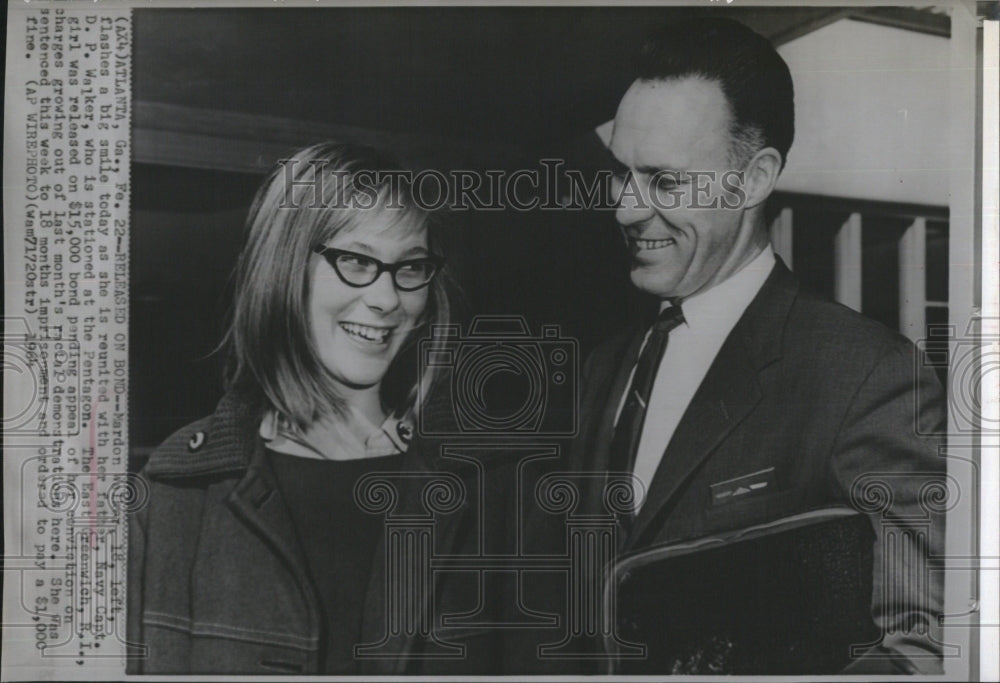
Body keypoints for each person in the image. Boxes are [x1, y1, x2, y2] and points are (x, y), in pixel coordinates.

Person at [570, 18, 947, 674]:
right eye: (619, 174)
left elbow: (922, 650)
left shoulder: (865, 376)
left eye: (663, 181)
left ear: (754, 178)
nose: (625, 208)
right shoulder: (606, 366)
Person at [127, 142, 462, 674]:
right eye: (355, 260)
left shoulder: (481, 493)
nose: (387, 298)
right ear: (284, 267)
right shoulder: (174, 496)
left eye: (411, 267)